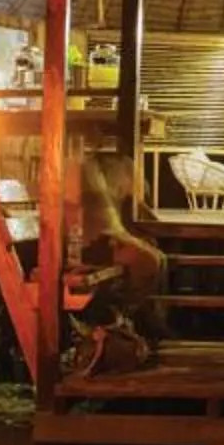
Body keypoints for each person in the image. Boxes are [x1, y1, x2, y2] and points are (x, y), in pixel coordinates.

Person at [78, 151, 166, 353]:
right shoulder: (89, 169)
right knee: (148, 260)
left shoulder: (103, 168)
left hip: (105, 237)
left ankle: (142, 319)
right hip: (93, 242)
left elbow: (132, 204)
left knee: (155, 257)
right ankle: (132, 317)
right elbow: (98, 221)